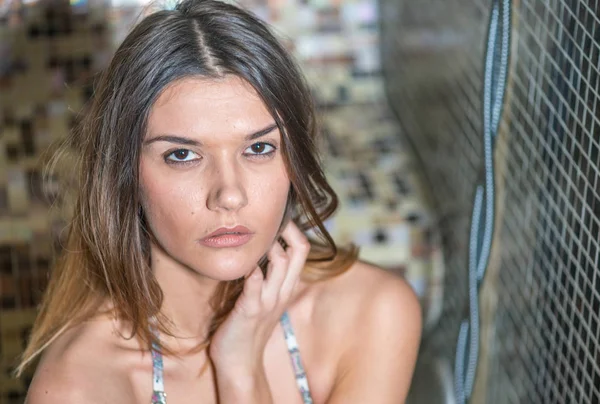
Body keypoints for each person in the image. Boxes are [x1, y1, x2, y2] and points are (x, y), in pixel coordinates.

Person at [18, 0, 422, 402]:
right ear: (124, 174)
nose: (229, 194)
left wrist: (241, 368)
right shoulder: (79, 387)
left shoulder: (373, 312)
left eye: (260, 148)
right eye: (182, 155)